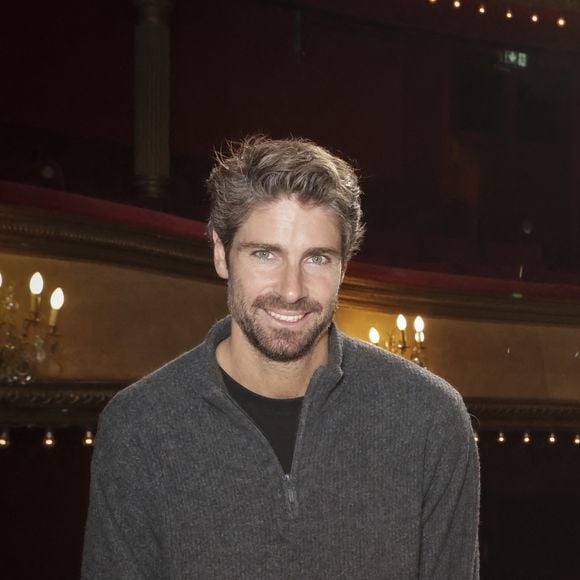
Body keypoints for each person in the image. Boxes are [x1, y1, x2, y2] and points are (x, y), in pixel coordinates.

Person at [82, 136, 480, 579]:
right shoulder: (140, 426)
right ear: (220, 252)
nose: (291, 290)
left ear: (344, 266)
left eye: (317, 258)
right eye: (265, 254)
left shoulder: (429, 418)